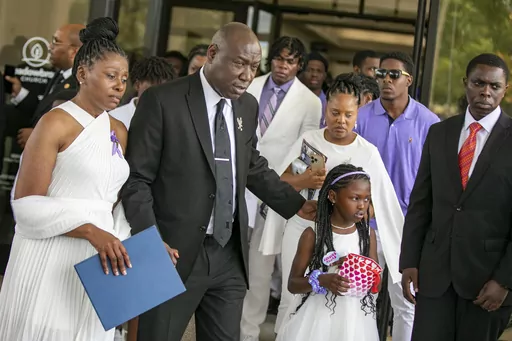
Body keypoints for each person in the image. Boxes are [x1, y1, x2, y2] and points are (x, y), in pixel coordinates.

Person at [121, 22, 317, 341]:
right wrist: (150, 239)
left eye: (254, 67)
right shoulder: (162, 101)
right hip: (172, 251)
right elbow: (136, 180)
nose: (247, 75)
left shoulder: (247, 106)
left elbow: (251, 167)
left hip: (228, 255)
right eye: (239, 63)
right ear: (212, 53)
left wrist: (297, 206)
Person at [0, 17, 132, 341]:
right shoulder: (55, 123)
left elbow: (110, 201)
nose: (120, 86)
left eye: (125, 79)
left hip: (96, 261)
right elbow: (27, 207)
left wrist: (127, 243)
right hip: (50, 254)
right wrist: (89, 230)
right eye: (111, 76)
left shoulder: (119, 131)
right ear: (83, 73)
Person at [270, 74, 403, 333]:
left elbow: (375, 203)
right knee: (292, 296)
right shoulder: (312, 142)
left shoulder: (367, 151)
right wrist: (305, 182)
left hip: (345, 238)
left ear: (357, 115)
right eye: (334, 113)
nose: (341, 120)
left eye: (348, 114)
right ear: (325, 110)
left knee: (339, 302)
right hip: (305, 229)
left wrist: (348, 216)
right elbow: (282, 182)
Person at [400, 53, 512, 340]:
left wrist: (504, 281)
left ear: (505, 89)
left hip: (487, 283)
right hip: (434, 277)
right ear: (466, 84)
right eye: (478, 83)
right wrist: (410, 261)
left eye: (494, 86)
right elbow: (420, 203)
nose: (486, 91)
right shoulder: (439, 132)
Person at [240, 36, 322, 340]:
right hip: (237, 186)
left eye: (290, 61)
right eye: (278, 59)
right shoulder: (249, 84)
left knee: (260, 271)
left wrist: (283, 184)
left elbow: (310, 152)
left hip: (274, 193)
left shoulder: (310, 102)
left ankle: (247, 335)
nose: (283, 66)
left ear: (299, 65)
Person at [355, 51, 440, 341]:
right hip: (363, 224)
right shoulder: (361, 117)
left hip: (407, 227)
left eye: (394, 75)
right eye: (381, 74)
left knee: (406, 303)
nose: (386, 80)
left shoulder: (429, 123)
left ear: (409, 80)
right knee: (359, 299)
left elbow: (435, 181)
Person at [276, 164, 379, 341]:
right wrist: (322, 280)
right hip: (317, 320)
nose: (362, 205)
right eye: (355, 198)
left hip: (355, 321)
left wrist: (360, 268)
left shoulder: (367, 235)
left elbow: (377, 284)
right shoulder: (313, 235)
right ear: (332, 196)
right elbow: (293, 284)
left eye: (367, 199)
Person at [6, 24, 85, 149]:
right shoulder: (59, 74)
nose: (49, 46)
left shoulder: (80, 85)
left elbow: (71, 130)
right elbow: (42, 111)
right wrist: (20, 92)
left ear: (73, 51)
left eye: (56, 42)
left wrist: (38, 137)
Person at [109, 56, 174, 129]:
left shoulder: (172, 121)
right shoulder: (115, 117)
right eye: (153, 89)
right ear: (137, 85)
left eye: (163, 89)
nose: (159, 95)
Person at [301, 51, 328, 127]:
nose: (314, 75)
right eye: (309, 70)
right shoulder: (293, 99)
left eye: (319, 71)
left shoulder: (329, 105)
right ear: (302, 72)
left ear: (325, 75)